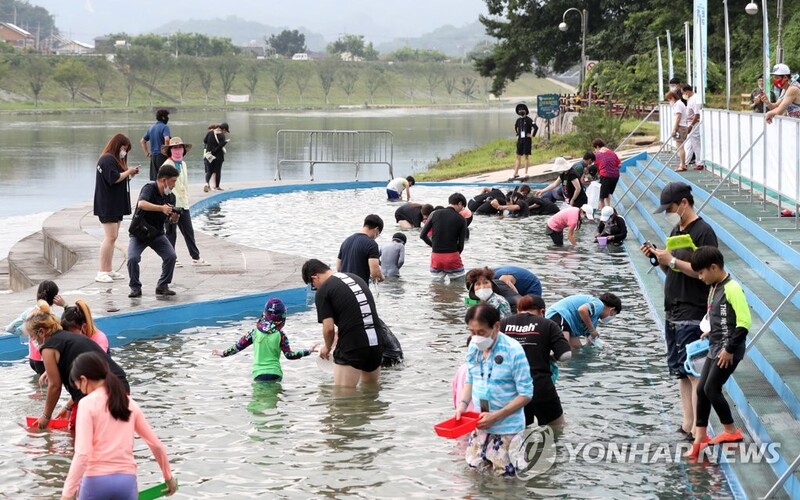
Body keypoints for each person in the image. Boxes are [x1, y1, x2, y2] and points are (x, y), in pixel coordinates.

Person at [642, 181, 718, 441]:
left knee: (694, 372)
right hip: (672, 308)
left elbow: (706, 273)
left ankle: (699, 429)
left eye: (672, 207)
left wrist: (672, 260)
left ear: (684, 203)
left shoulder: (704, 232)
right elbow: (672, 269)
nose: (669, 212)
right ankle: (686, 424)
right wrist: (659, 259)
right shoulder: (676, 230)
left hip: (691, 309)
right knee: (680, 371)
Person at [61, 352, 177, 499]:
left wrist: (67, 493)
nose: (82, 392)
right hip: (126, 481)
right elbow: (156, 445)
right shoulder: (129, 403)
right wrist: (168, 477)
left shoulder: (87, 404)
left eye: (79, 387)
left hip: (95, 482)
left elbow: (83, 453)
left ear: (84, 379)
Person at [684, 247, 750, 458]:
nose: (700, 277)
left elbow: (743, 323)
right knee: (702, 388)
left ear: (713, 267)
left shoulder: (732, 288)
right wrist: (711, 331)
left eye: (702, 273)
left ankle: (731, 431)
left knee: (712, 389)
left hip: (728, 350)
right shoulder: (715, 286)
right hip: (715, 346)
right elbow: (722, 316)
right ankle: (700, 437)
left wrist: (729, 349)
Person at [25, 301, 129, 431]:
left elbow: (55, 386)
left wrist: (46, 416)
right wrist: (68, 406)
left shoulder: (48, 347)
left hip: (102, 394)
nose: (32, 340)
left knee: (79, 436)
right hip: (120, 386)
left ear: (41, 332)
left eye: (31, 336)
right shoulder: (69, 339)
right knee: (80, 430)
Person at [456, 303, 532, 476]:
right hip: (480, 423)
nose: (476, 337)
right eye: (472, 332)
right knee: (474, 473)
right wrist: (462, 405)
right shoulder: (474, 347)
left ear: (496, 326)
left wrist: (496, 416)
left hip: (508, 428)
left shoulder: (514, 351)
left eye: (481, 332)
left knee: (505, 481)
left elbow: (526, 394)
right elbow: (471, 378)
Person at [301, 259, 384, 388]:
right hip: (376, 341)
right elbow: (356, 317)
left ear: (315, 277)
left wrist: (327, 347)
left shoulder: (324, 290)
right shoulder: (354, 277)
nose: (315, 289)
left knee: (343, 399)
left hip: (353, 345)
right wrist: (335, 339)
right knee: (371, 393)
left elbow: (328, 328)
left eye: (312, 285)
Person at [501, 295, 571, 426]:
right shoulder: (548, 324)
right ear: (542, 311)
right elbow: (565, 355)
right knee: (556, 428)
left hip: (511, 387)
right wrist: (550, 358)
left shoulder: (504, 323)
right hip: (540, 386)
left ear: (518, 310)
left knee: (521, 431)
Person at [212, 298, 318, 381]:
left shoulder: (254, 332)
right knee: (274, 404)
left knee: (258, 403)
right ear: (282, 317)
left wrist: (223, 353)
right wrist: (308, 351)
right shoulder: (281, 335)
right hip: (275, 374)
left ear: (265, 314)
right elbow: (290, 355)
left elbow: (238, 347)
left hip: (258, 374)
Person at [127, 164, 180, 298]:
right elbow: (141, 204)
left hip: (156, 233)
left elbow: (167, 220)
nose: (174, 185)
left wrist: (173, 218)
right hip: (140, 231)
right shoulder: (149, 188)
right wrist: (161, 208)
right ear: (164, 180)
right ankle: (135, 287)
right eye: (173, 181)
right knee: (132, 259)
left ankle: (163, 285)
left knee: (171, 256)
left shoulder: (171, 197)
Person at [93, 133, 140, 284]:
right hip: (107, 204)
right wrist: (129, 171)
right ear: (117, 145)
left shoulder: (113, 160)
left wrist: (128, 173)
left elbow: (118, 177)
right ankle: (101, 271)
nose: (125, 151)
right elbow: (113, 178)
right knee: (110, 237)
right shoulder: (107, 159)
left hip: (115, 204)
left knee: (113, 237)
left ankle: (108, 269)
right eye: (124, 148)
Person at [161, 137, 210, 267]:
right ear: (170, 150)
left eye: (180, 148)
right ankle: (171, 258)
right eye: (175, 148)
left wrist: (186, 199)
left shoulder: (183, 164)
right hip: (172, 204)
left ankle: (195, 257)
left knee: (188, 231)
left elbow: (184, 185)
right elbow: (163, 185)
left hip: (183, 203)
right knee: (171, 232)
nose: (178, 150)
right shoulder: (166, 165)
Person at [5, 280, 66, 374]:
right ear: (54, 298)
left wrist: (24, 332)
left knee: (40, 386)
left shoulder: (30, 312)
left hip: (32, 359)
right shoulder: (52, 316)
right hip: (45, 359)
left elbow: (10, 328)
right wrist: (65, 305)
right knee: (49, 386)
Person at [545, 292, 622, 349]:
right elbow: (582, 310)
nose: (612, 317)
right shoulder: (599, 305)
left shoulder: (594, 319)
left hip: (569, 325)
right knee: (562, 348)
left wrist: (602, 344)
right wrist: (592, 330)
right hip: (559, 315)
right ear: (612, 310)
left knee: (576, 348)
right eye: (614, 314)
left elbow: (590, 338)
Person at [420, 193, 468, 281]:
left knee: (436, 288)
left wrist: (434, 246)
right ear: (460, 203)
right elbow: (461, 244)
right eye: (463, 207)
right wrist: (454, 255)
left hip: (436, 257)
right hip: (452, 256)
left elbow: (422, 235)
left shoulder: (434, 214)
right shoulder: (461, 219)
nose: (462, 210)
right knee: (458, 287)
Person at [337, 214, 384, 284]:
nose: (377, 236)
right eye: (378, 233)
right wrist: (381, 277)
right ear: (376, 229)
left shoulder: (346, 241)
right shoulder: (372, 244)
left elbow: (338, 267)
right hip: (359, 287)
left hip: (344, 285)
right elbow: (375, 273)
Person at [139, 108, 171, 181]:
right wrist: (167, 152)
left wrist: (147, 154)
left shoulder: (151, 128)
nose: (168, 118)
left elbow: (142, 141)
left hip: (153, 157)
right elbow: (166, 139)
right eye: (167, 116)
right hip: (162, 156)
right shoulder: (164, 127)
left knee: (156, 179)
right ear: (163, 117)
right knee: (165, 178)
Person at [593, 138, 621, 210]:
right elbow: (619, 165)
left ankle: (605, 212)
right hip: (615, 176)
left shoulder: (598, 154)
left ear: (597, 147)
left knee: (601, 197)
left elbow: (595, 166)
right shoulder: (612, 153)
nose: (595, 151)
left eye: (595, 149)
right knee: (607, 194)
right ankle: (607, 210)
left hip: (605, 176)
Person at [202, 122, 230, 192]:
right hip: (218, 156)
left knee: (209, 171)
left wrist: (210, 148)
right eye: (226, 131)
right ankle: (217, 186)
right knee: (218, 171)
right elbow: (220, 146)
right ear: (223, 129)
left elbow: (205, 140)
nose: (225, 132)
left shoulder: (210, 133)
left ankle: (207, 183)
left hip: (209, 155)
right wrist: (225, 142)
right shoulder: (221, 135)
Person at [666, 91, 689, 172]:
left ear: (672, 98)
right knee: (679, 146)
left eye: (669, 100)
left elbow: (678, 117)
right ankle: (682, 164)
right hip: (682, 127)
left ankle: (683, 165)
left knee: (680, 147)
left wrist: (674, 129)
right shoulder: (679, 104)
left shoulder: (678, 104)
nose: (669, 102)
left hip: (680, 127)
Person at [682, 85, 703, 170]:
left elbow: (697, 114)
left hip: (694, 125)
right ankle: (685, 163)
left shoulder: (695, 99)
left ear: (687, 91)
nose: (684, 94)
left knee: (696, 144)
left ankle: (700, 162)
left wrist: (691, 125)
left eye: (684, 93)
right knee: (689, 144)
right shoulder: (690, 99)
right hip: (690, 123)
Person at [512, 103, 535, 178]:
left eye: (522, 110)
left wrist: (532, 135)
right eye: (519, 110)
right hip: (520, 140)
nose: (521, 111)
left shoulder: (529, 120)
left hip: (527, 140)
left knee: (526, 156)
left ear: (525, 111)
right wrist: (517, 133)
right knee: (518, 156)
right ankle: (515, 173)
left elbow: (536, 127)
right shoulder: (518, 120)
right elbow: (515, 127)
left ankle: (526, 172)